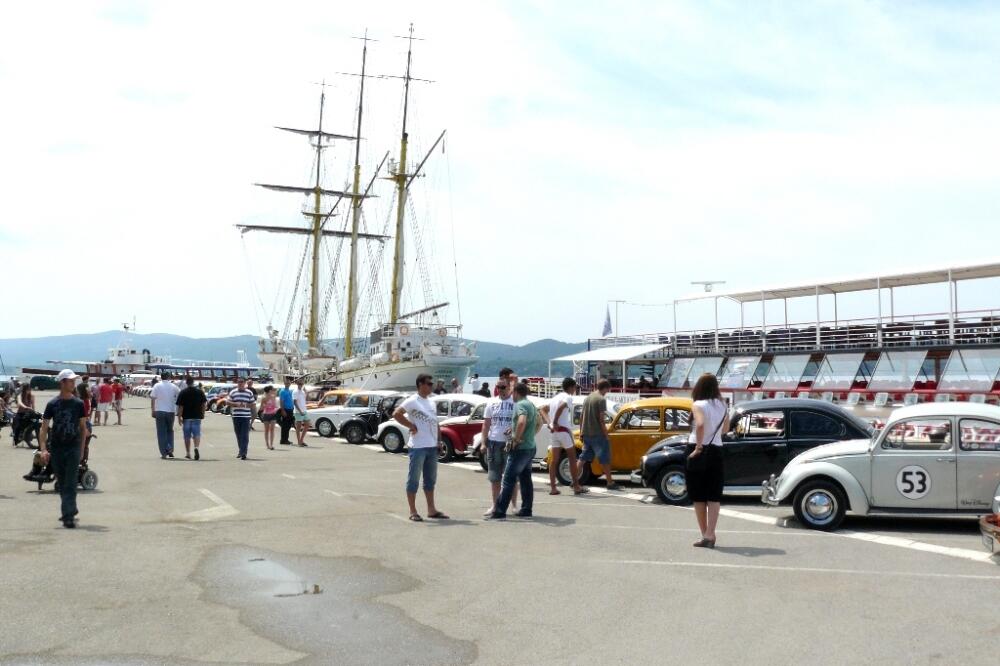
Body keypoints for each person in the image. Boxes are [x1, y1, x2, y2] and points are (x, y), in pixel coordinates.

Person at [394, 373, 449, 522]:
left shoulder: (431, 402)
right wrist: (410, 425)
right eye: (429, 384)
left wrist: (439, 441)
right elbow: (397, 414)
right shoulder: (412, 400)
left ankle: (431, 509)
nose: (432, 386)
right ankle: (413, 511)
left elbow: (435, 422)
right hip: (418, 447)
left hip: (432, 446)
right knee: (414, 479)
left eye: (432, 384)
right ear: (420, 385)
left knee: (430, 480)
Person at [37, 370, 87, 528]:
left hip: (73, 447)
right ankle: (71, 507)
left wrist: (82, 449)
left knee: (71, 482)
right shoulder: (52, 404)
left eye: (74, 381)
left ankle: (68, 516)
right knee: (62, 482)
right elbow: (44, 429)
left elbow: (83, 428)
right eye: (70, 381)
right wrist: (44, 449)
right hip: (57, 448)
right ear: (62, 382)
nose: (73, 384)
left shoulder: (78, 404)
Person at [486, 383, 541, 520]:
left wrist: (516, 438)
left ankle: (499, 511)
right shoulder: (531, 404)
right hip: (530, 447)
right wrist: (516, 429)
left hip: (520, 449)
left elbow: (522, 421)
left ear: (516, 392)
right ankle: (526, 509)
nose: (511, 395)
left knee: (508, 480)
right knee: (526, 480)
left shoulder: (520, 405)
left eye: (512, 392)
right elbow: (537, 422)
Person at [686, 373, 728, 549]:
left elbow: (700, 424)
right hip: (716, 449)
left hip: (699, 450)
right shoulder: (722, 405)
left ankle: (706, 534)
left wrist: (698, 447)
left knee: (698, 495)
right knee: (713, 495)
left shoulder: (698, 404)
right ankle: (710, 533)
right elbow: (725, 429)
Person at [480, 379, 517, 516]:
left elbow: (520, 422)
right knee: (494, 476)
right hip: (494, 442)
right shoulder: (491, 402)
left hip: (509, 443)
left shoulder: (515, 402)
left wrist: (514, 432)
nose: (500, 389)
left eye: (503, 387)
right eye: (498, 387)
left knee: (511, 476)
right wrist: (483, 443)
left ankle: (514, 505)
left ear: (508, 387)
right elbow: (486, 424)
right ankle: (495, 505)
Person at [545, 377, 588, 496]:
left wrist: (550, 423)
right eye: (575, 387)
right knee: (572, 459)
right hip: (563, 431)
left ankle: (553, 488)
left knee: (554, 460)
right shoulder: (567, 397)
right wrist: (555, 421)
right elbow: (561, 407)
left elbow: (543, 410)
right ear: (571, 387)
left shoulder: (554, 398)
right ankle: (576, 486)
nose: (575, 390)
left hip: (555, 432)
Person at [579, 379, 620, 490]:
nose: (607, 392)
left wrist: (581, 431)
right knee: (604, 459)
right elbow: (601, 420)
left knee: (582, 459)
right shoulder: (601, 400)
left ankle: (574, 480)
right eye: (608, 390)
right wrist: (606, 435)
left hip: (586, 433)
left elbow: (582, 416)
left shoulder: (588, 398)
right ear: (605, 388)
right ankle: (610, 482)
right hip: (598, 434)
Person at [150, 371, 180, 459]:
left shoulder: (157, 386)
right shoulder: (173, 386)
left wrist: (153, 410)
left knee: (161, 432)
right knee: (170, 430)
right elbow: (179, 395)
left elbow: (153, 399)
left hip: (159, 410)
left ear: (161, 377)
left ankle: (164, 452)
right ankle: (170, 449)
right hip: (171, 411)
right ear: (168, 377)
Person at [176, 377, 207, 460]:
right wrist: (203, 414)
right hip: (197, 417)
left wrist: (179, 418)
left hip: (186, 418)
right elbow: (204, 404)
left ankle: (188, 453)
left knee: (187, 436)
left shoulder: (183, 392)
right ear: (193, 382)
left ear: (186, 383)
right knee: (197, 434)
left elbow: (181, 407)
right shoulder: (200, 392)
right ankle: (196, 447)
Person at [228, 378, 255, 460]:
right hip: (236, 416)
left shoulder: (249, 392)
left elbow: (253, 404)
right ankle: (241, 450)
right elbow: (228, 402)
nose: (240, 383)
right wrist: (236, 404)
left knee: (245, 435)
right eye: (239, 382)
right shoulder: (233, 392)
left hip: (246, 417)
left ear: (244, 383)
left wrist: (245, 405)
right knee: (238, 434)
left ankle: (244, 453)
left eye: (242, 382)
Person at [292, 378, 309, 446]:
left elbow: (304, 400)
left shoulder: (302, 391)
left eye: (302, 384)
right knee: (298, 427)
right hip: (298, 411)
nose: (301, 385)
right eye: (299, 384)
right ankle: (299, 441)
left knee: (307, 424)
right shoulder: (295, 391)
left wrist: (306, 393)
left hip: (304, 410)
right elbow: (295, 402)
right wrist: (300, 411)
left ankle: (301, 440)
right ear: (297, 384)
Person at [259, 386, 278, 450]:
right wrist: (264, 406)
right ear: (269, 391)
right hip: (266, 414)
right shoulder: (264, 398)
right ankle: (267, 444)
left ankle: (271, 445)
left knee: (272, 429)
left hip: (273, 414)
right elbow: (261, 408)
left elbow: (275, 406)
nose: (273, 391)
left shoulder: (273, 397)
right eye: (272, 390)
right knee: (267, 430)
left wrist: (276, 409)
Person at [277, 378, 295, 445]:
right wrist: (283, 410)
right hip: (286, 410)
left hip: (290, 410)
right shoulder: (283, 391)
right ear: (284, 383)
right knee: (285, 426)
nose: (288, 384)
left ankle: (286, 439)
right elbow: (281, 401)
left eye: (289, 383)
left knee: (288, 425)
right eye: (286, 383)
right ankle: (283, 440)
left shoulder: (289, 391)